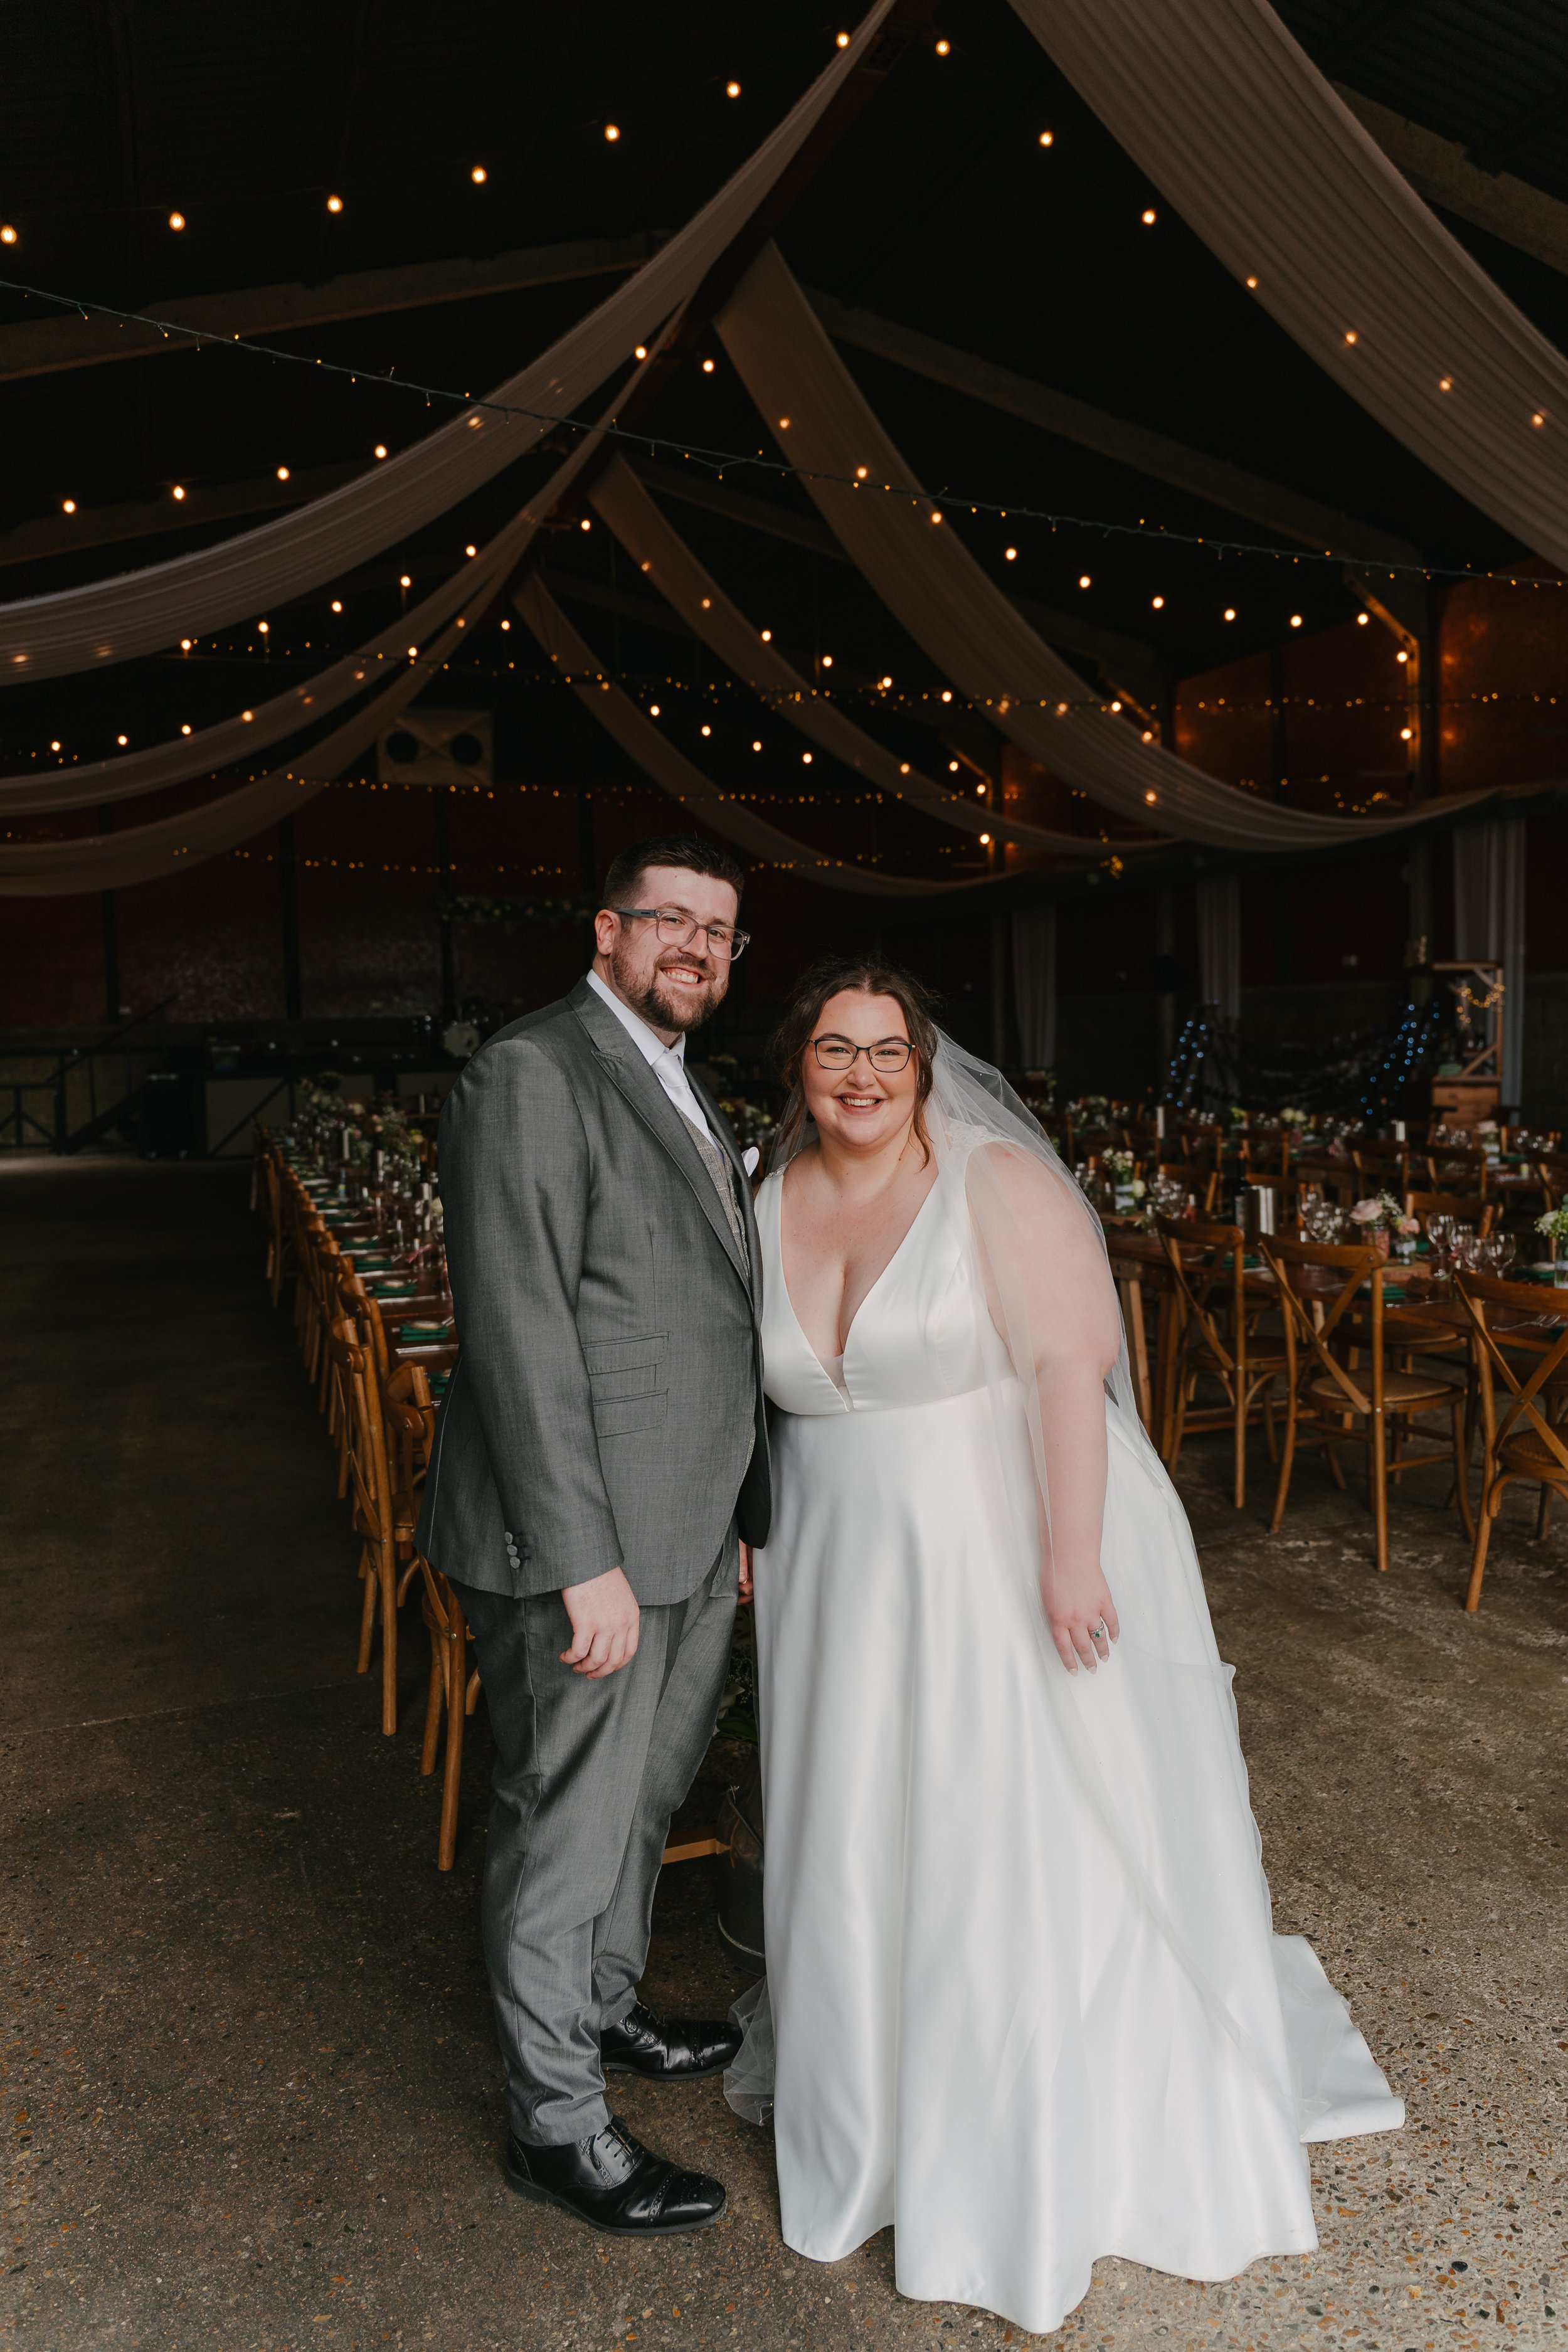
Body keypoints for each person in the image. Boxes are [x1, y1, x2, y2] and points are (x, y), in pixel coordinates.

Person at [725, 955, 1402, 2335]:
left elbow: (1064, 1368)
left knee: (992, 1835)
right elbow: (751, 1400)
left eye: (887, 1052)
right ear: (798, 1064)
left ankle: (1010, 2154)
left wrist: (1069, 1556)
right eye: (833, 1049)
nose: (860, 1075)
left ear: (923, 1066)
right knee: (855, 1837)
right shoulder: (759, 1197)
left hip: (987, 1554)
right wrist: (744, 1529)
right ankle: (876, 2123)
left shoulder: (992, 1182)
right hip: (830, 1578)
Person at [416, 836, 770, 2237]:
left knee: (639, 1805)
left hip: (689, 1534)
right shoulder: (531, 1073)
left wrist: (740, 1517)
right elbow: (518, 1334)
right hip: (585, 1552)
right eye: (670, 920)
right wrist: (581, 1560)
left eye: (720, 931)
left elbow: (705, 1324)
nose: (694, 945)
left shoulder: (679, 1078)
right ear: (606, 931)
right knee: (564, 1830)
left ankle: (604, 2010)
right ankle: (554, 2127)